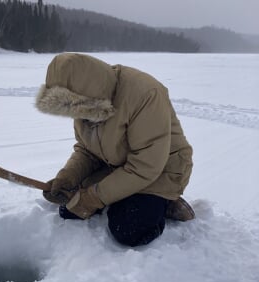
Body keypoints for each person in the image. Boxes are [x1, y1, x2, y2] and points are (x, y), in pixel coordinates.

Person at [36, 53, 194, 247]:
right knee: (69, 211)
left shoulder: (145, 94)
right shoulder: (84, 99)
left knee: (127, 228)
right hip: (116, 165)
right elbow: (87, 150)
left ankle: (167, 203)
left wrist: (94, 197)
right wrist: (68, 177)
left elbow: (145, 166)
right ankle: (121, 197)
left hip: (161, 170)